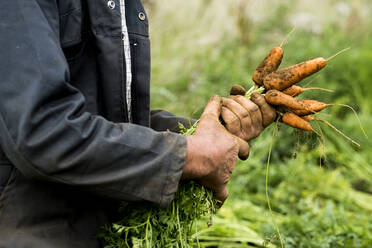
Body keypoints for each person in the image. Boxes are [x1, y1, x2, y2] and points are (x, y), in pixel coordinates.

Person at [0, 1, 276, 247]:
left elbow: (111, 120)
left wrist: (212, 130)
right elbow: (43, 131)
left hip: (97, 226)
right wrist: (191, 154)